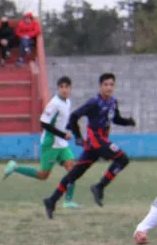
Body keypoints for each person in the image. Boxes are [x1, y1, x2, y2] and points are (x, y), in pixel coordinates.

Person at [42, 73, 136, 219]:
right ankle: (99, 187)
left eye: (111, 84)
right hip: (96, 141)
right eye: (106, 84)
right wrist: (78, 136)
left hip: (97, 144)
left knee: (75, 173)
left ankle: (52, 199)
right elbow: (74, 117)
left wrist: (127, 122)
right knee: (122, 159)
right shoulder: (94, 102)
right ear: (100, 87)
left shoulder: (112, 102)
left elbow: (115, 118)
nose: (109, 87)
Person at [3, 76, 81, 208]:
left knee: (73, 170)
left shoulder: (67, 102)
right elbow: (44, 123)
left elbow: (60, 122)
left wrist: (69, 130)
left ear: (70, 89)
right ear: (58, 89)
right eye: (61, 87)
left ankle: (68, 201)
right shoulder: (54, 103)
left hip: (61, 144)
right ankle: (15, 167)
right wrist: (63, 134)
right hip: (50, 143)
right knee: (43, 175)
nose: (64, 90)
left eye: (66, 87)